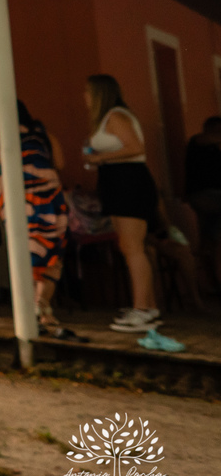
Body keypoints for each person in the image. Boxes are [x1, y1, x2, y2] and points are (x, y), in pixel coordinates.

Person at [82, 74, 162, 333]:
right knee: (129, 245)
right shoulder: (108, 118)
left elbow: (136, 148)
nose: (85, 98)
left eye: (88, 92)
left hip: (128, 182)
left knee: (133, 246)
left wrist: (100, 158)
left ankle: (142, 309)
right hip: (116, 182)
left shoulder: (116, 116)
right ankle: (146, 306)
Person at [0, 100, 68, 328]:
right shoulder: (43, 132)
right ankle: (44, 306)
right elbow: (60, 162)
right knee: (51, 252)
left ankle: (28, 312)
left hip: (18, 196)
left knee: (25, 251)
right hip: (50, 196)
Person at [185, 116, 221, 289]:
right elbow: (206, 139)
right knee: (211, 238)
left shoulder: (213, 148)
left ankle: (212, 282)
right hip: (203, 196)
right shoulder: (198, 142)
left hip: (211, 198)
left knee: (211, 239)